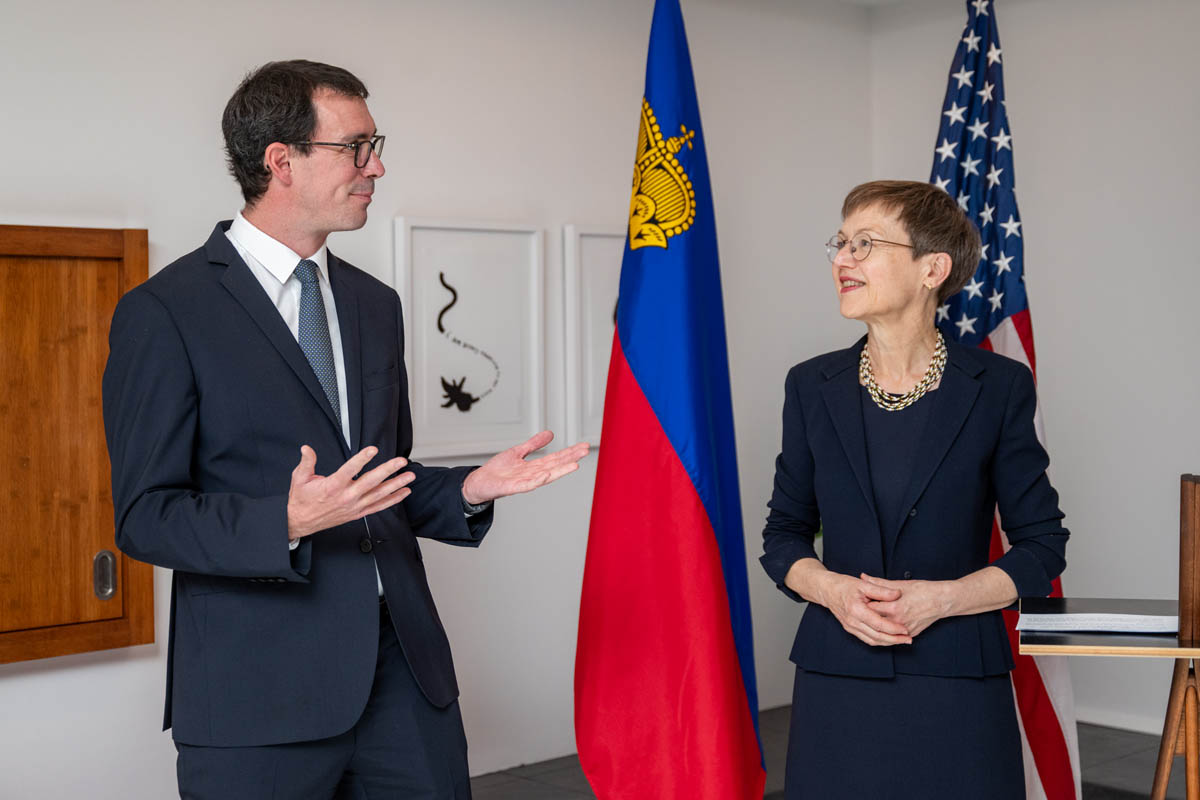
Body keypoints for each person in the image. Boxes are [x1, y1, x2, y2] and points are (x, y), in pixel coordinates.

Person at [102, 59, 588, 799]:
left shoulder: (374, 303)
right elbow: (145, 517)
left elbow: (378, 481)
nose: (376, 167)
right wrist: (286, 520)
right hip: (256, 694)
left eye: (374, 146)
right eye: (356, 147)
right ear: (281, 161)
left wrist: (469, 489)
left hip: (406, 681)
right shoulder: (165, 312)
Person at [759, 180, 1068, 799]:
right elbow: (783, 536)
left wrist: (942, 600)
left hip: (958, 680)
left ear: (932, 269)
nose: (843, 260)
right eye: (841, 244)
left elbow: (1041, 549)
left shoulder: (999, 386)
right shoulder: (810, 386)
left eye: (865, 244)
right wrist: (834, 592)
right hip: (836, 679)